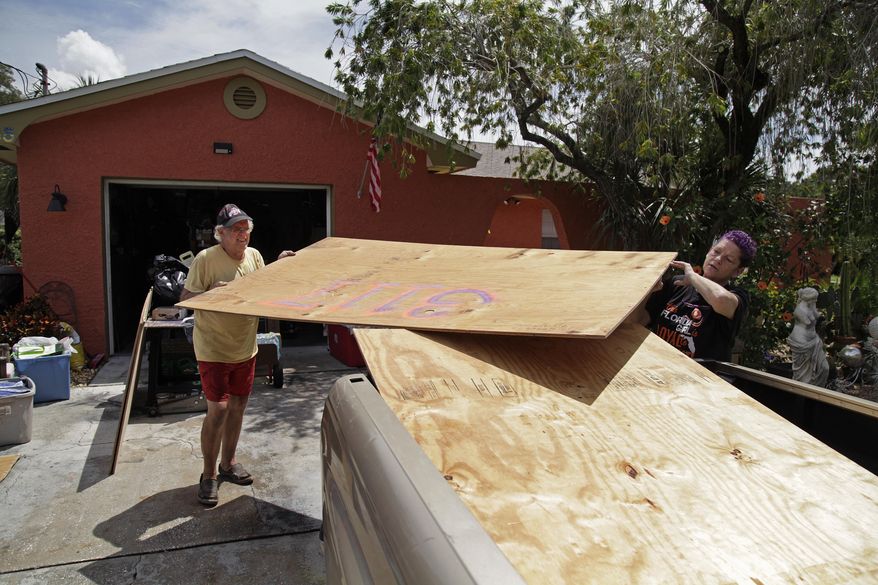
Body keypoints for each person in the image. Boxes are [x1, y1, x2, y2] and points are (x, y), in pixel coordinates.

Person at [180, 203, 295, 506]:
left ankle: (228, 465)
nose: (242, 235)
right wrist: (212, 293)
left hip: (245, 347)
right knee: (218, 409)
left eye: (245, 229)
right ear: (221, 234)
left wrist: (280, 264)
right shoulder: (206, 259)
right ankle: (208, 476)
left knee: (238, 407)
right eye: (235, 230)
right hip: (213, 348)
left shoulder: (254, 256)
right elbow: (186, 299)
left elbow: (263, 283)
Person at [633, 229, 757, 362]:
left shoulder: (737, 297)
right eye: (716, 251)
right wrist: (647, 289)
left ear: (737, 272)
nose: (718, 259)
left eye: (729, 259)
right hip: (658, 368)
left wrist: (692, 277)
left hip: (699, 379)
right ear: (709, 251)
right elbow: (638, 321)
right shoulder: (677, 284)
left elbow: (720, 299)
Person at [787, 287, 829, 387]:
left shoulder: (810, 306)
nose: (816, 301)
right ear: (808, 299)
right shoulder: (799, 310)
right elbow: (808, 322)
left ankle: (816, 390)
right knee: (803, 377)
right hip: (801, 342)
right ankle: (804, 394)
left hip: (814, 341)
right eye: (814, 299)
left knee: (824, 368)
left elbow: (817, 316)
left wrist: (814, 307)